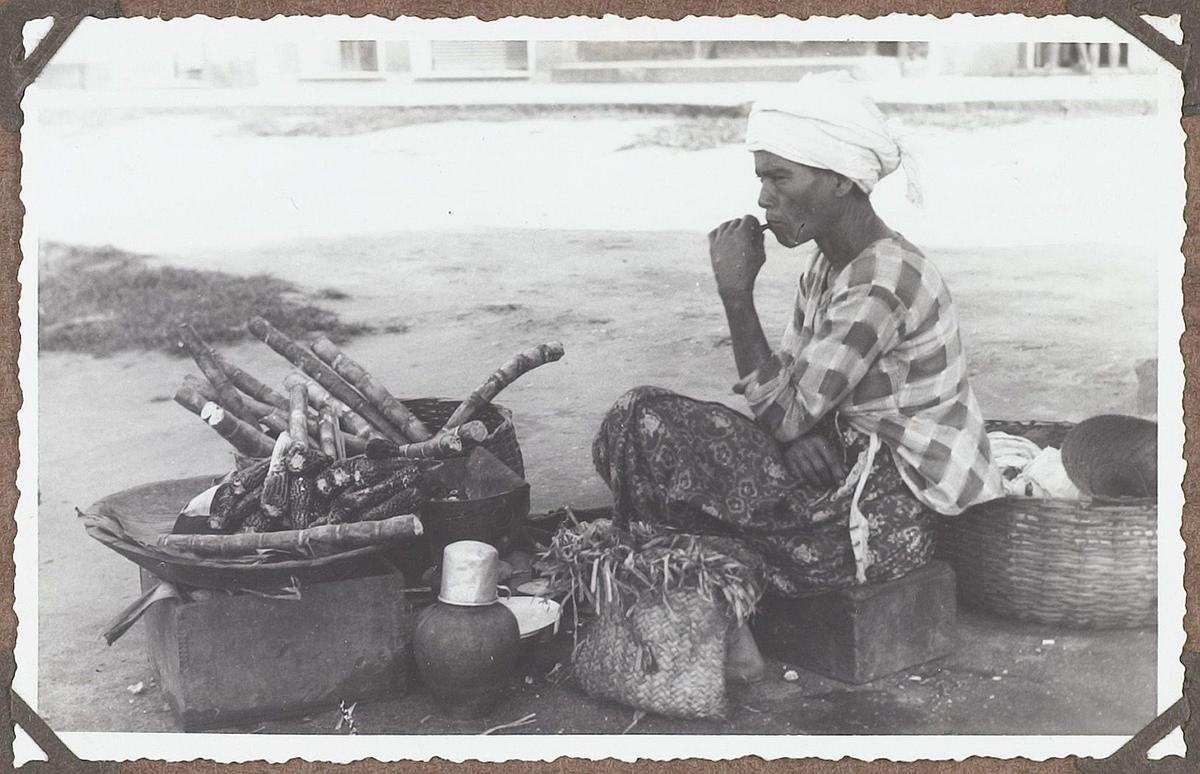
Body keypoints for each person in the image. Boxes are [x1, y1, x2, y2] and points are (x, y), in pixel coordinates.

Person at [591, 74, 1004, 681]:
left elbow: (782, 410)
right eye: (762, 178)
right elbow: (788, 394)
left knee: (643, 419)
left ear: (840, 179)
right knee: (640, 431)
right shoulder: (830, 263)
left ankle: (711, 612)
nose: (764, 199)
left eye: (780, 177)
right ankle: (713, 613)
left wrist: (736, 295)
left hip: (877, 520)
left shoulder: (883, 279)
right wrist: (794, 434)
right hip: (839, 476)